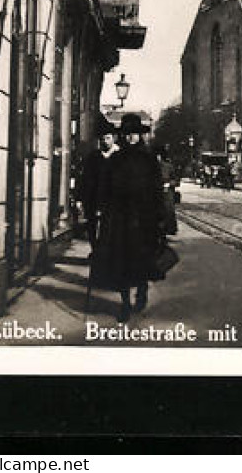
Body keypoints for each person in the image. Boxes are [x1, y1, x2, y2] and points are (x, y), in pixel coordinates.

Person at [90, 112, 168, 323]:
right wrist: (101, 209)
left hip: (144, 219)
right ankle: (124, 303)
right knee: (120, 262)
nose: (130, 137)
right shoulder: (115, 159)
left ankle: (141, 292)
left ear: (139, 136)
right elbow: (104, 188)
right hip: (120, 219)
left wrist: (160, 217)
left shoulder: (149, 159)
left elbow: (157, 189)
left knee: (141, 260)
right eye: (126, 134)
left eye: (133, 134)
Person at [80, 113, 119, 250]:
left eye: (108, 138)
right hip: (94, 200)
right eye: (102, 139)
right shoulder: (93, 157)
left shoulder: (120, 157)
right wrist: (82, 199)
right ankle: (95, 250)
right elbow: (85, 179)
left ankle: (107, 254)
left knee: (110, 230)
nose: (105, 141)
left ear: (114, 138)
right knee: (92, 228)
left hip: (112, 201)